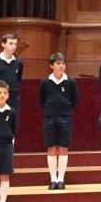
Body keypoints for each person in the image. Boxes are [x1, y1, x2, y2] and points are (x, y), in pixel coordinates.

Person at [38, 52, 80, 190]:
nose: (61, 66)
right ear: (52, 66)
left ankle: (61, 179)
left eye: (63, 63)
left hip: (65, 117)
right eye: (58, 63)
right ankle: (53, 179)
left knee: (63, 148)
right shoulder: (45, 82)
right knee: (51, 148)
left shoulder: (70, 82)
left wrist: (65, 109)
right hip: (49, 116)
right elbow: (41, 100)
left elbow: (75, 100)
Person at [0, 33, 24, 138]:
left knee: (12, 125)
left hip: (14, 98)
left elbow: (18, 79)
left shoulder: (18, 63)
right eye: (11, 43)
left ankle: (10, 149)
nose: (14, 46)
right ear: (3, 44)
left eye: (15, 44)